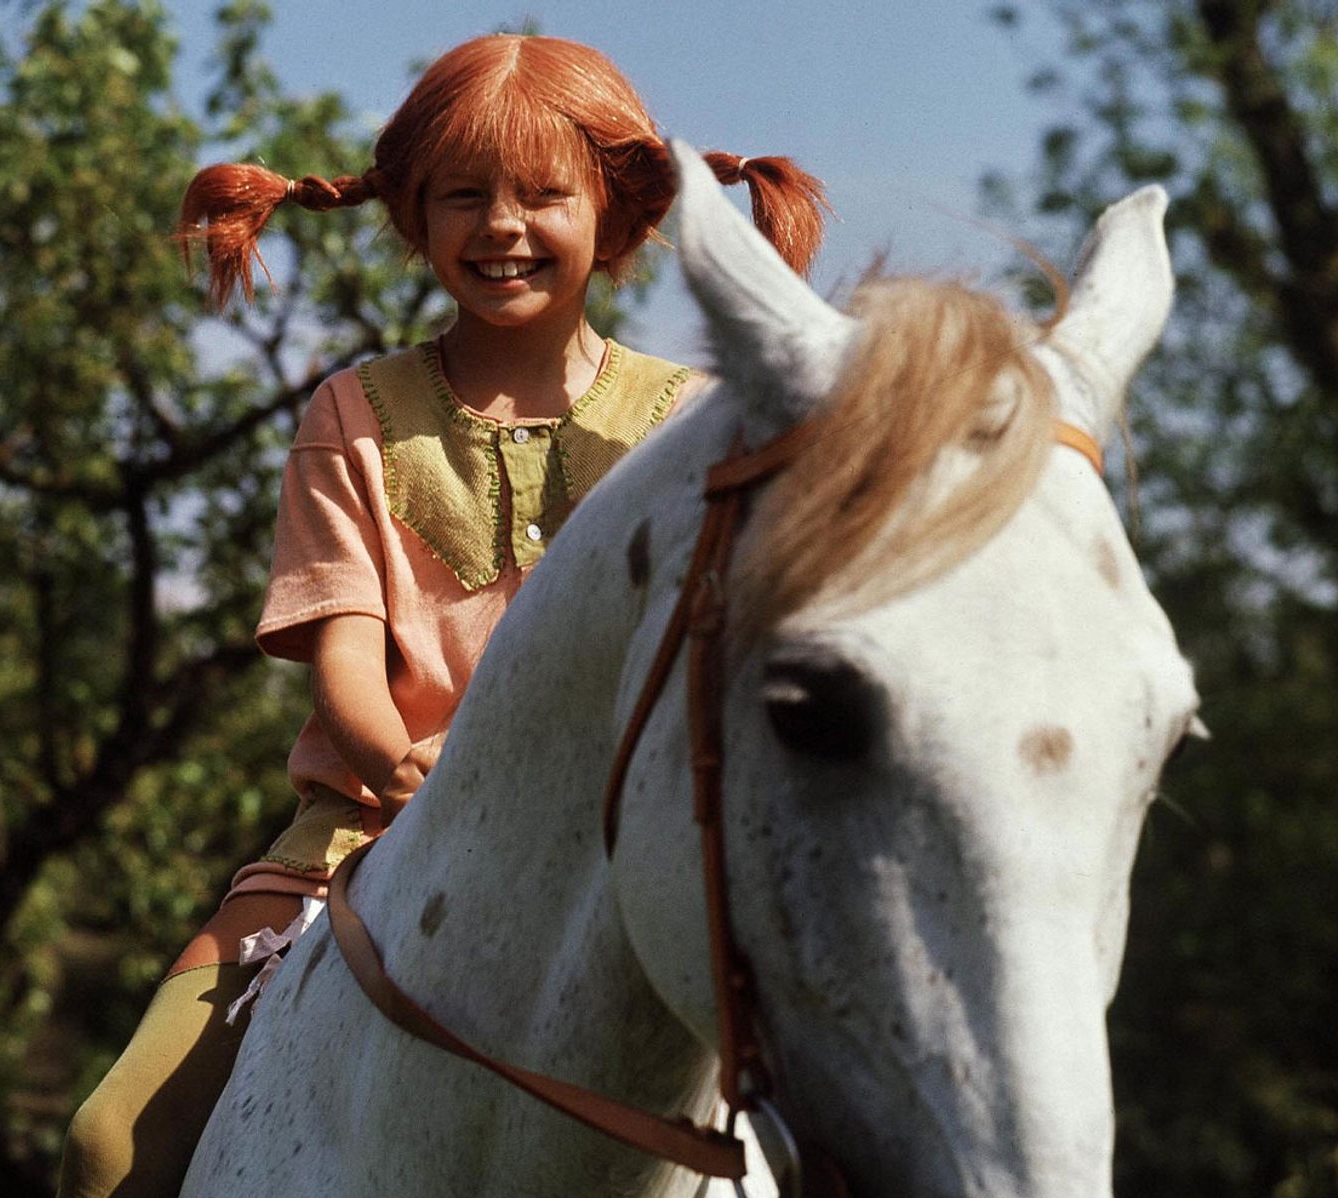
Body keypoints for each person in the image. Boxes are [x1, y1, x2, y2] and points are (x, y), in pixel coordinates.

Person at [56, 32, 828, 1198]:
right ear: (413, 215)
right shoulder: (353, 413)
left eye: (541, 194)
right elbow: (347, 660)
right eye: (462, 196)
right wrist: (402, 755)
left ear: (615, 214)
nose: (501, 225)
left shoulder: (694, 424)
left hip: (631, 855)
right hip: (361, 838)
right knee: (107, 1145)